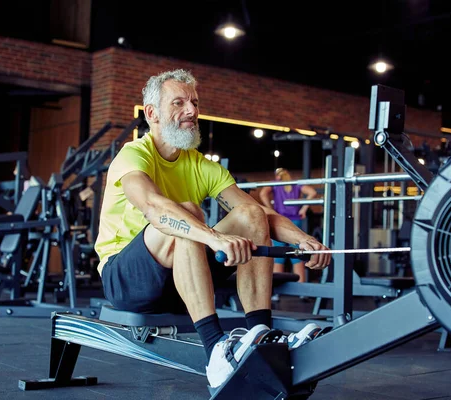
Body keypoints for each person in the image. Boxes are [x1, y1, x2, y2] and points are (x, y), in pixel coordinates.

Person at [94, 69, 331, 390]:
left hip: (184, 278)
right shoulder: (134, 155)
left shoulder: (199, 164)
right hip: (126, 281)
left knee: (250, 214)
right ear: (152, 114)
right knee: (186, 212)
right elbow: (153, 207)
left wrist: (304, 239)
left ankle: (259, 333)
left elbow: (260, 214)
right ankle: (215, 349)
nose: (191, 110)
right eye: (178, 102)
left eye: (194, 102)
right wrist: (212, 237)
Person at [259, 168, 318, 285]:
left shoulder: (276, 183)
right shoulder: (295, 183)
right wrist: (303, 209)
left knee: (278, 256)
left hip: (279, 221)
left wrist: (269, 209)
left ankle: (278, 292)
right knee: (298, 255)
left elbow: (262, 193)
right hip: (295, 222)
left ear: (277, 177)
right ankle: (302, 291)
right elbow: (313, 192)